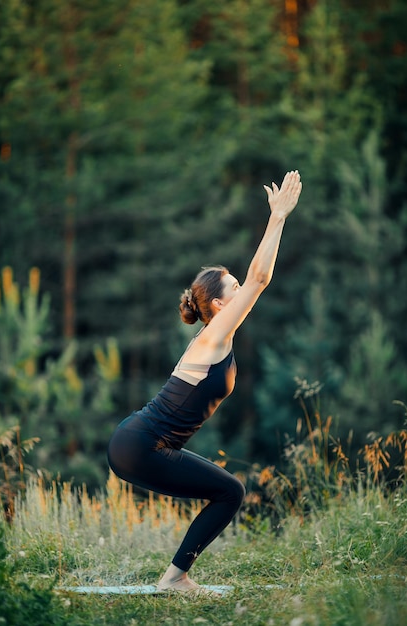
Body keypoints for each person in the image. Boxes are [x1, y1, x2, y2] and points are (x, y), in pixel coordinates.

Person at [107, 170, 302, 594]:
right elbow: (261, 278)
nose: (243, 289)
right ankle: (175, 580)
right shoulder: (213, 337)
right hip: (140, 444)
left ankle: (175, 578)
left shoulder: (215, 339)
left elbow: (254, 282)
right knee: (231, 491)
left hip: (138, 443)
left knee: (227, 491)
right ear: (219, 303)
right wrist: (278, 217)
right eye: (234, 287)